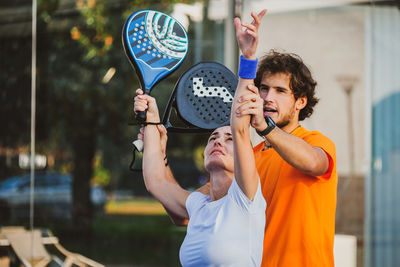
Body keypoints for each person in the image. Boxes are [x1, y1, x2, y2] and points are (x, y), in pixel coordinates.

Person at [167, 9, 338, 267]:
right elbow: (185, 211)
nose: (268, 97)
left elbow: (314, 163)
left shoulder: (316, 141)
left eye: (280, 91)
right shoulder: (248, 158)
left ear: (300, 102)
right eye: (264, 89)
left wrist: (265, 128)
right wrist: (154, 146)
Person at [133, 11, 267, 264]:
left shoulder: (246, 199)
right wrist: (151, 117)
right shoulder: (199, 206)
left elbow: (239, 126)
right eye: (213, 138)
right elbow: (156, 182)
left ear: (243, 153)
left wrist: (248, 58)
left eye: (228, 139)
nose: (217, 140)